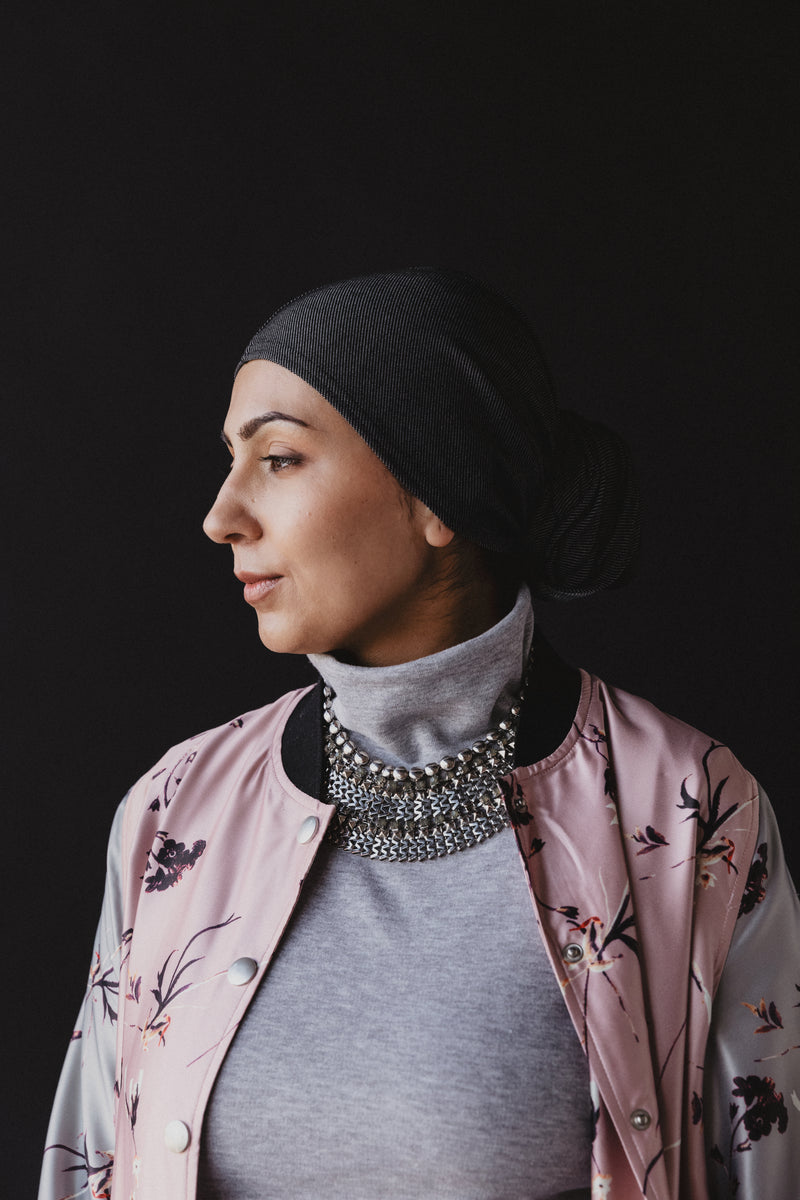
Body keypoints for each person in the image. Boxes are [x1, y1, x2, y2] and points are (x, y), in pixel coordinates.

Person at [39, 269, 799, 1200]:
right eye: (230, 462)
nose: (220, 515)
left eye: (277, 459)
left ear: (440, 489)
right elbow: (88, 1167)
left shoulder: (690, 814)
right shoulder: (176, 809)